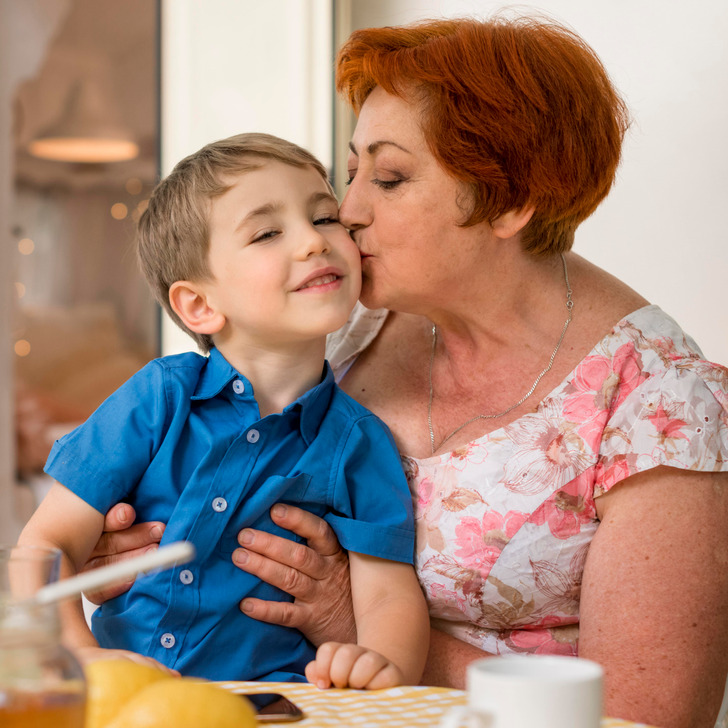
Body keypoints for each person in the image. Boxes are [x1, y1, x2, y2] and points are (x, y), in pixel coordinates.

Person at [85, 15, 728, 728]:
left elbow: (648, 715)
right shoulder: (341, 322)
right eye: (352, 169)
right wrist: (127, 539)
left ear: (510, 200)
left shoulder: (661, 404)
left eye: (389, 178)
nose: (347, 211)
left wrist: (357, 625)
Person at [17, 132, 429, 688]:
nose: (313, 241)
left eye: (326, 217)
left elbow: (387, 595)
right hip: (128, 700)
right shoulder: (159, 397)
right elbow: (44, 547)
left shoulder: (359, 440)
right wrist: (77, 655)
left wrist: (380, 662)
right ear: (200, 305)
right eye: (267, 232)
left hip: (277, 704)